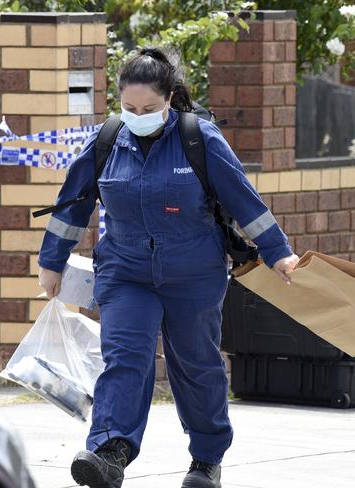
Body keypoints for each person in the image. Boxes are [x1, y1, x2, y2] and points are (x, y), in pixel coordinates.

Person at [37, 47, 299, 488]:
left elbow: (243, 199)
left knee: (196, 365)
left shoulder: (199, 138)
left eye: (150, 108)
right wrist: (52, 261)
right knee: (125, 357)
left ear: (170, 98)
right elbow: (73, 205)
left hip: (193, 274)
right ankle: (110, 450)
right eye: (129, 108)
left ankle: (206, 459)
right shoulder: (107, 141)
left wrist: (277, 250)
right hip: (125, 271)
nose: (138, 115)